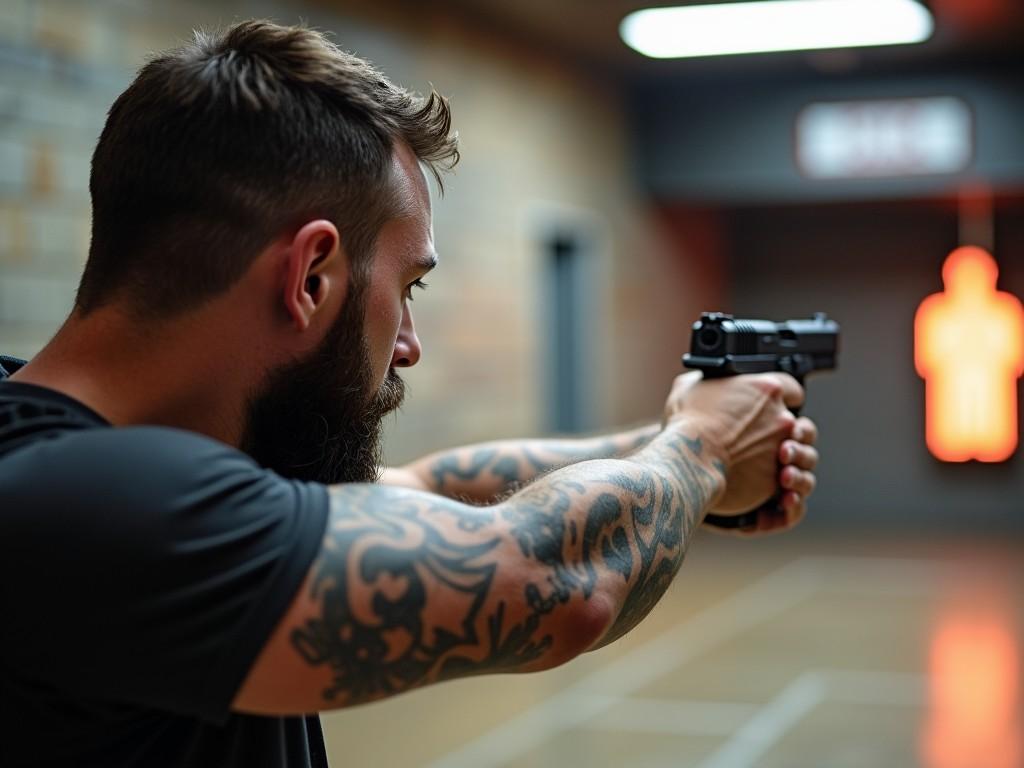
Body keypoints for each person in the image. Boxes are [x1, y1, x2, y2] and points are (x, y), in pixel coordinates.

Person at [0, 19, 819, 768]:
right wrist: (703, 452)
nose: (409, 346)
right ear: (311, 277)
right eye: (410, 289)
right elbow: (553, 578)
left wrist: (686, 432)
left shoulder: (90, 460)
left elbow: (429, 487)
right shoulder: (80, 511)